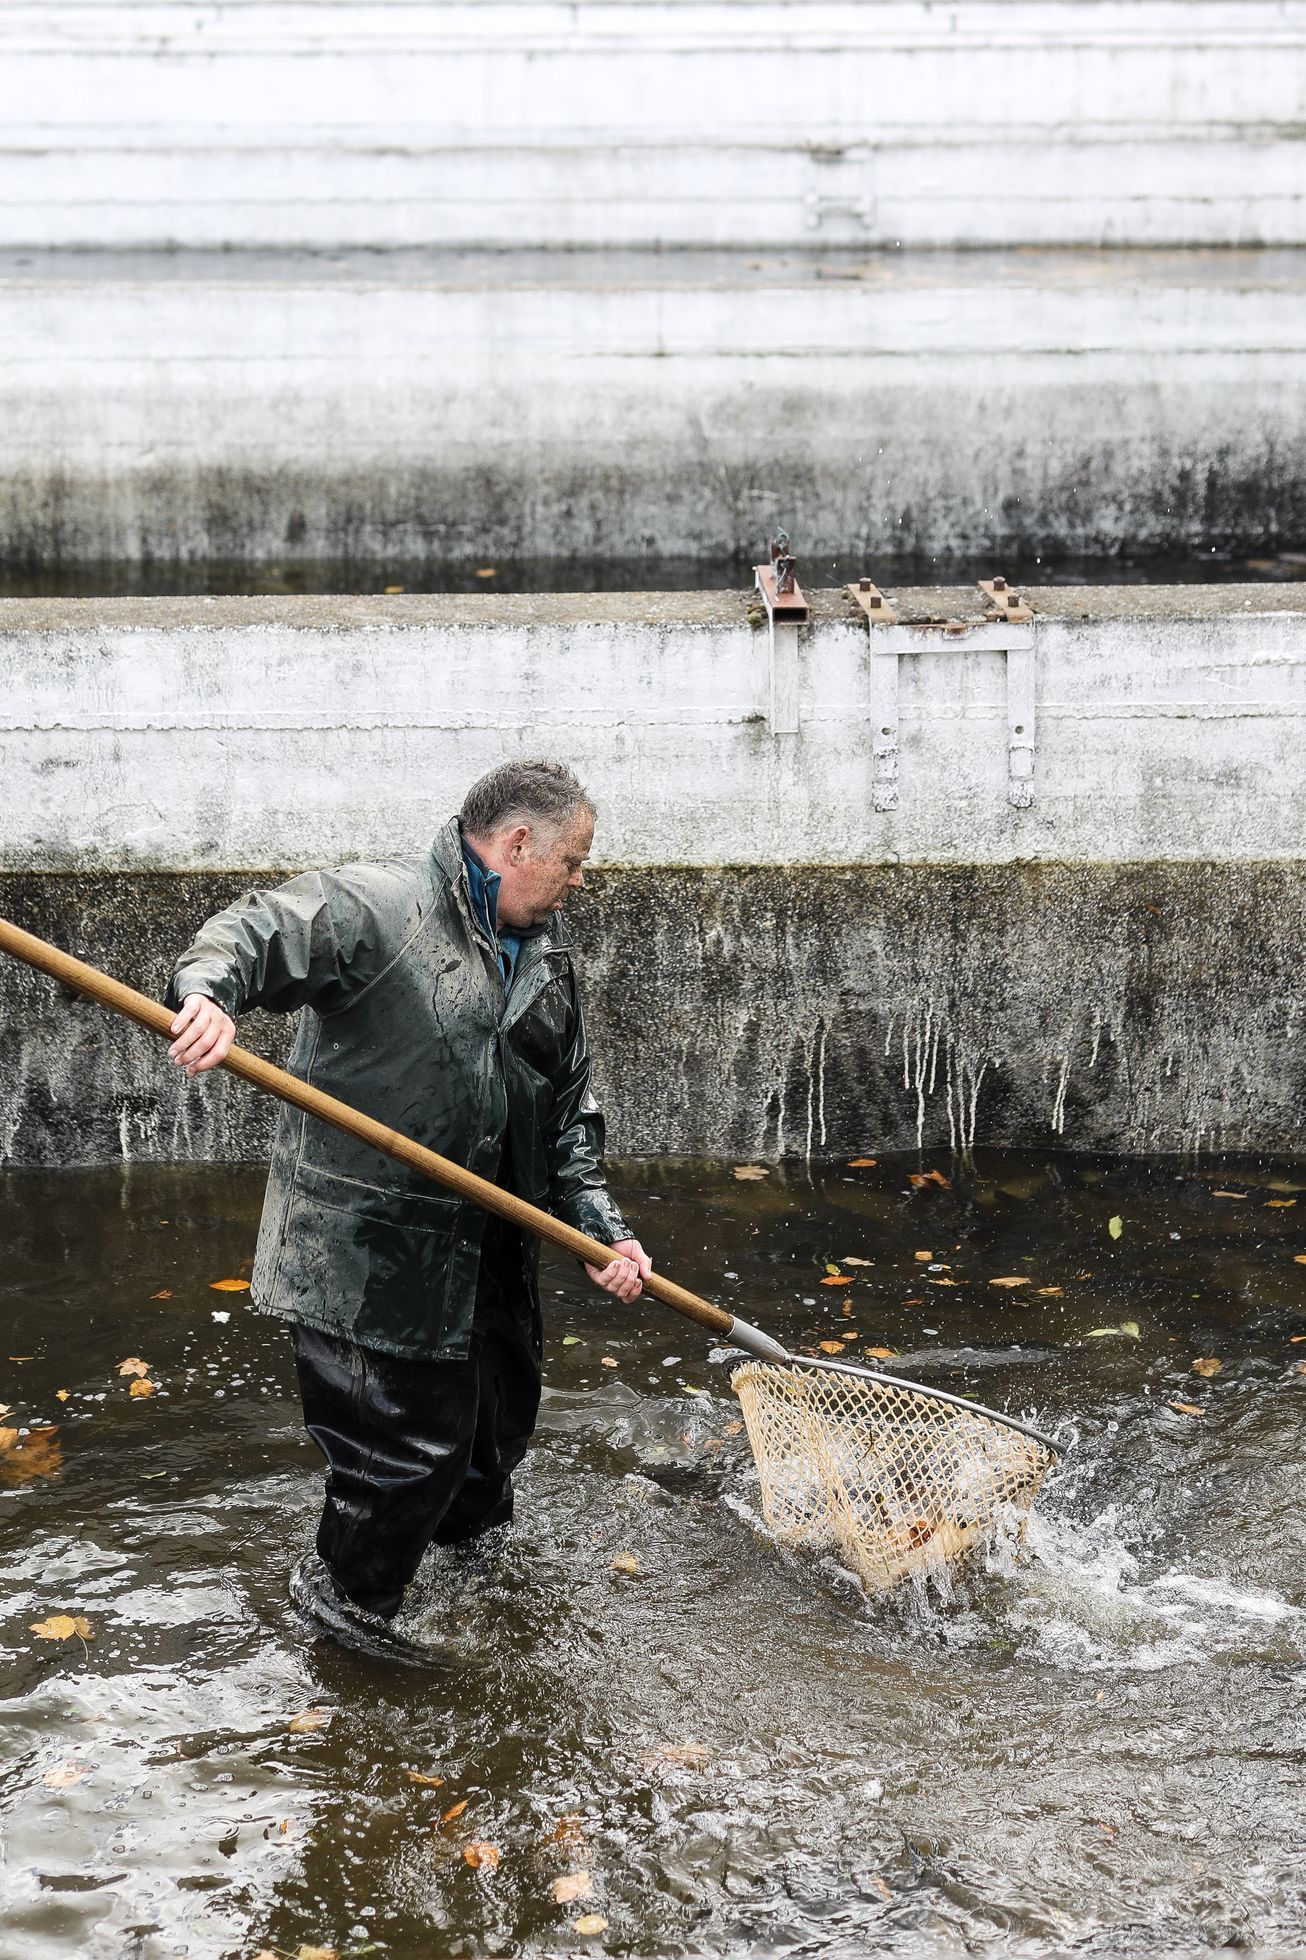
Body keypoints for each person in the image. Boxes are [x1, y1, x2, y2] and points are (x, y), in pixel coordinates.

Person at [164, 758, 651, 1643]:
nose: (581, 880)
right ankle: (343, 1621)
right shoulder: (377, 908)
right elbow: (255, 930)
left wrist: (601, 1232)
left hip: (490, 1249)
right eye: (573, 861)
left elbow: (568, 1114)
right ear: (516, 844)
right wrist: (207, 997)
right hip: (368, 1256)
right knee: (398, 1463)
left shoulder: (546, 961)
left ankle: (473, 1591)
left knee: (489, 1442)